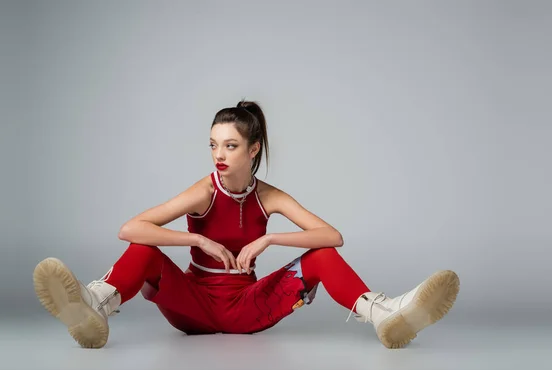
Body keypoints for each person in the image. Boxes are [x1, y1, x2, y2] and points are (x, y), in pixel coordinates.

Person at [33, 100, 460, 350]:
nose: (219, 154)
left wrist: (270, 237)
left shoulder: (269, 196)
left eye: (231, 145)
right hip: (193, 305)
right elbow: (131, 229)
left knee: (323, 256)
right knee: (144, 250)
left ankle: (384, 316)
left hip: (248, 305)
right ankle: (93, 305)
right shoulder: (204, 190)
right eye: (214, 144)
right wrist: (196, 237)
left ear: (253, 150)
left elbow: (333, 237)